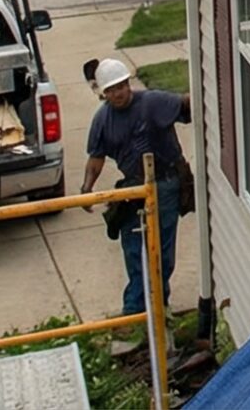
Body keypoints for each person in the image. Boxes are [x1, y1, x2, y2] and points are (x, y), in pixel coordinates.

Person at [80, 57, 189, 320]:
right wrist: (87, 189)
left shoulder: (153, 102)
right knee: (133, 247)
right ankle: (136, 310)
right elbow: (96, 158)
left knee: (161, 251)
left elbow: (188, 103)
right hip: (133, 188)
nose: (117, 93)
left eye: (121, 86)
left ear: (128, 84)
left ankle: (157, 308)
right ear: (104, 93)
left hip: (165, 184)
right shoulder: (102, 120)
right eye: (111, 90)